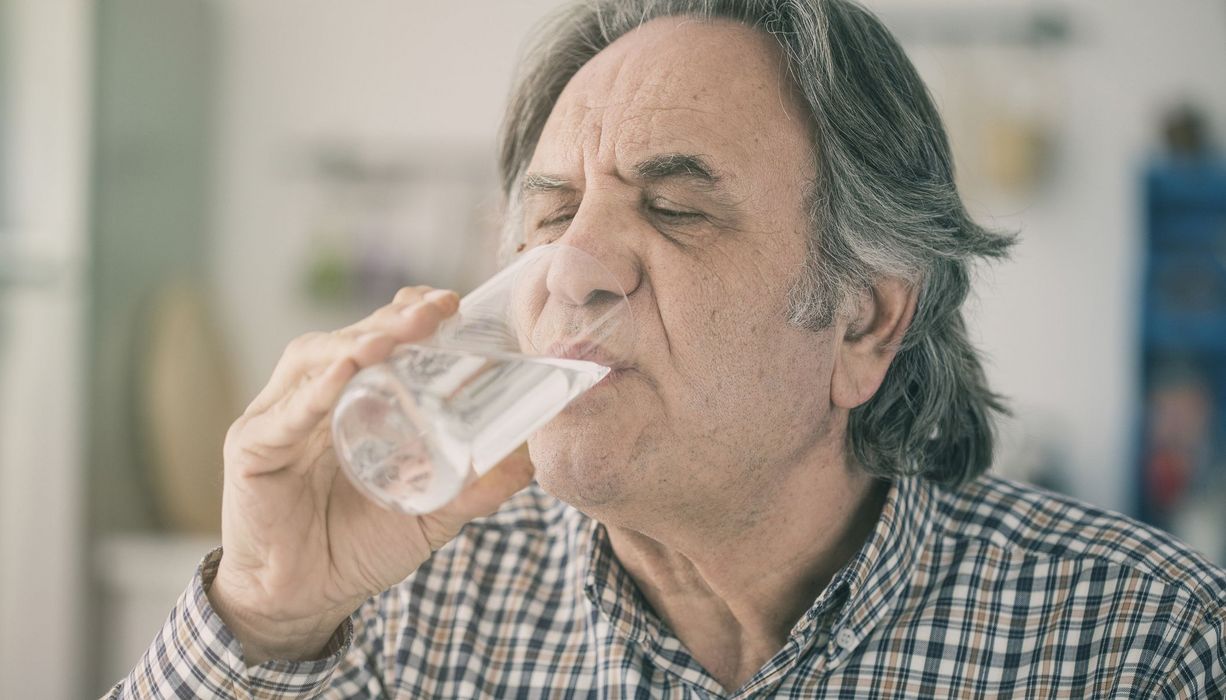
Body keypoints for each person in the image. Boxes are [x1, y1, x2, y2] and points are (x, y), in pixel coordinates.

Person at [106, 1, 1225, 697]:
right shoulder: (412, 600)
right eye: (550, 213)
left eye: (677, 209)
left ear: (863, 322)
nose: (572, 267)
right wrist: (264, 610)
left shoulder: (1135, 641)